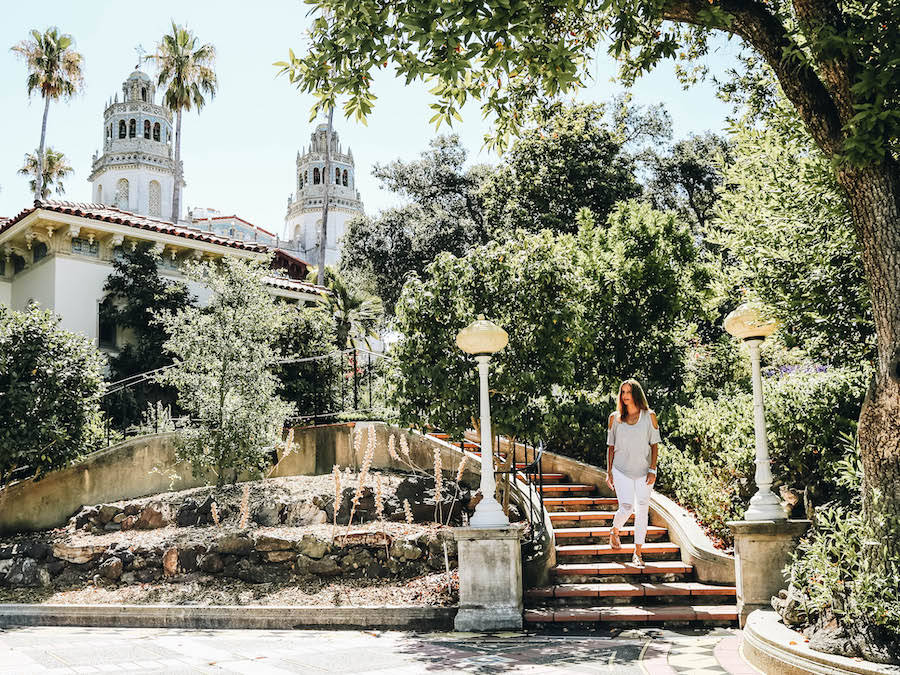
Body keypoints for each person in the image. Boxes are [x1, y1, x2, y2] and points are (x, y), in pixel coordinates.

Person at [605, 378, 661, 567]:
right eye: (623, 392)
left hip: (645, 471)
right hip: (620, 469)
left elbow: (655, 445)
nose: (625, 396)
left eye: (628, 392)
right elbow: (610, 447)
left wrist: (653, 469)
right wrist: (609, 471)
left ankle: (637, 553)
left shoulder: (649, 416)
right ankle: (615, 530)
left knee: (642, 509)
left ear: (636, 394)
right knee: (627, 506)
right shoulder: (615, 418)